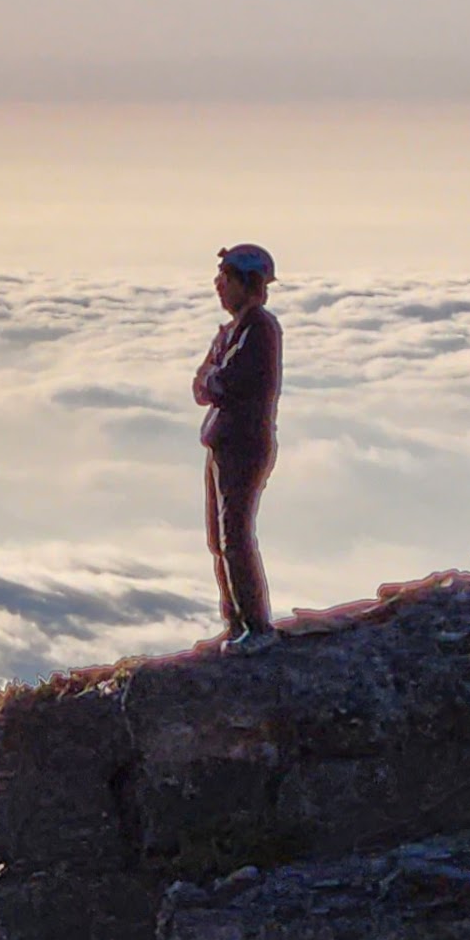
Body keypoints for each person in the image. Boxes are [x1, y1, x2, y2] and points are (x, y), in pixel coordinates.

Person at [192, 244, 283, 655]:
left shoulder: (259, 329)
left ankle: (255, 627)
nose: (217, 285)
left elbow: (222, 383)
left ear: (246, 284)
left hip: (244, 447)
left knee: (235, 538)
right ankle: (235, 624)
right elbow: (201, 385)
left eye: (224, 279)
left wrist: (214, 378)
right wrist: (212, 379)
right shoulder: (233, 331)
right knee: (219, 538)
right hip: (224, 445)